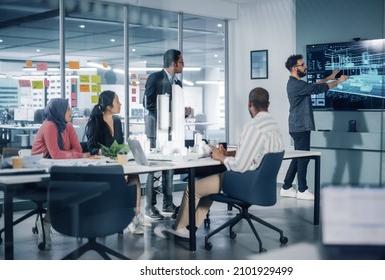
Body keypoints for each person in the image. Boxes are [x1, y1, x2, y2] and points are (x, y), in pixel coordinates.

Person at [157, 87, 284, 239]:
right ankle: (191, 228)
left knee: (193, 188)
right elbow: (258, 154)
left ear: (249, 103)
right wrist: (228, 154)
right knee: (207, 189)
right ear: (267, 104)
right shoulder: (274, 125)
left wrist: (221, 157)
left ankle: (180, 228)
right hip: (263, 186)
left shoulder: (253, 127)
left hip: (245, 183)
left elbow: (239, 166)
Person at [280, 54, 348, 200]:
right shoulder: (296, 84)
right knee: (303, 158)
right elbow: (318, 89)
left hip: (298, 125)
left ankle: (286, 187)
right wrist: (338, 81)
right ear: (294, 68)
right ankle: (302, 190)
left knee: (298, 157)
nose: (305, 67)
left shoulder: (296, 83)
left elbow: (314, 86)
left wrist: (330, 76)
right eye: (302, 64)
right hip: (300, 126)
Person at [31, 98, 91, 249]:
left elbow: (78, 151)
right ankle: (46, 223)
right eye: (68, 109)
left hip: (60, 168)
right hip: (39, 173)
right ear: (59, 111)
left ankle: (60, 221)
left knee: (77, 183)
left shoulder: (68, 126)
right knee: (62, 186)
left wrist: (70, 154)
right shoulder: (49, 125)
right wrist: (72, 154)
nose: (71, 112)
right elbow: (57, 154)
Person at [85, 90, 146, 235]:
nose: (120, 104)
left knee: (134, 175)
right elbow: (91, 147)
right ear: (108, 106)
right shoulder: (95, 122)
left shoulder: (117, 121)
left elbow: (120, 143)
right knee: (124, 180)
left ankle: (135, 215)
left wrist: (122, 152)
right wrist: (103, 152)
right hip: (102, 166)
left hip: (118, 163)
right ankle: (129, 219)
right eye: (117, 101)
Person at [142, 49, 184, 220]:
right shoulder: (155, 77)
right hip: (155, 129)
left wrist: (183, 112)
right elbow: (147, 102)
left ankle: (167, 203)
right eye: (181, 61)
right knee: (153, 167)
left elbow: (176, 106)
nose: (183, 64)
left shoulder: (178, 83)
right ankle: (149, 206)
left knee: (170, 166)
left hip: (171, 131)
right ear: (173, 63)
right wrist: (166, 113)